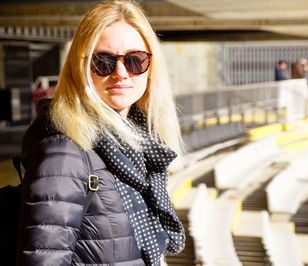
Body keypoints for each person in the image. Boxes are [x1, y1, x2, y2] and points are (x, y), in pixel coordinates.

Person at [16, 1, 185, 265]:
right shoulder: (63, 151)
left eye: (135, 60)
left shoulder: (139, 148)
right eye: (103, 61)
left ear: (151, 67)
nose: (121, 73)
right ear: (80, 67)